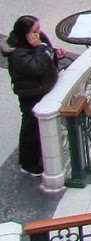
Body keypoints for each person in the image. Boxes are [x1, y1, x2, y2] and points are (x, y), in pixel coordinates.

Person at [5, 15, 63, 176]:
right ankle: (28, 163)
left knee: (37, 127)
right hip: (31, 93)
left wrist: (54, 54)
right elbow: (37, 67)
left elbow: (47, 51)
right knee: (31, 129)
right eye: (34, 31)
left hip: (43, 87)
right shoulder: (18, 55)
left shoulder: (38, 40)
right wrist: (40, 49)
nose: (39, 33)